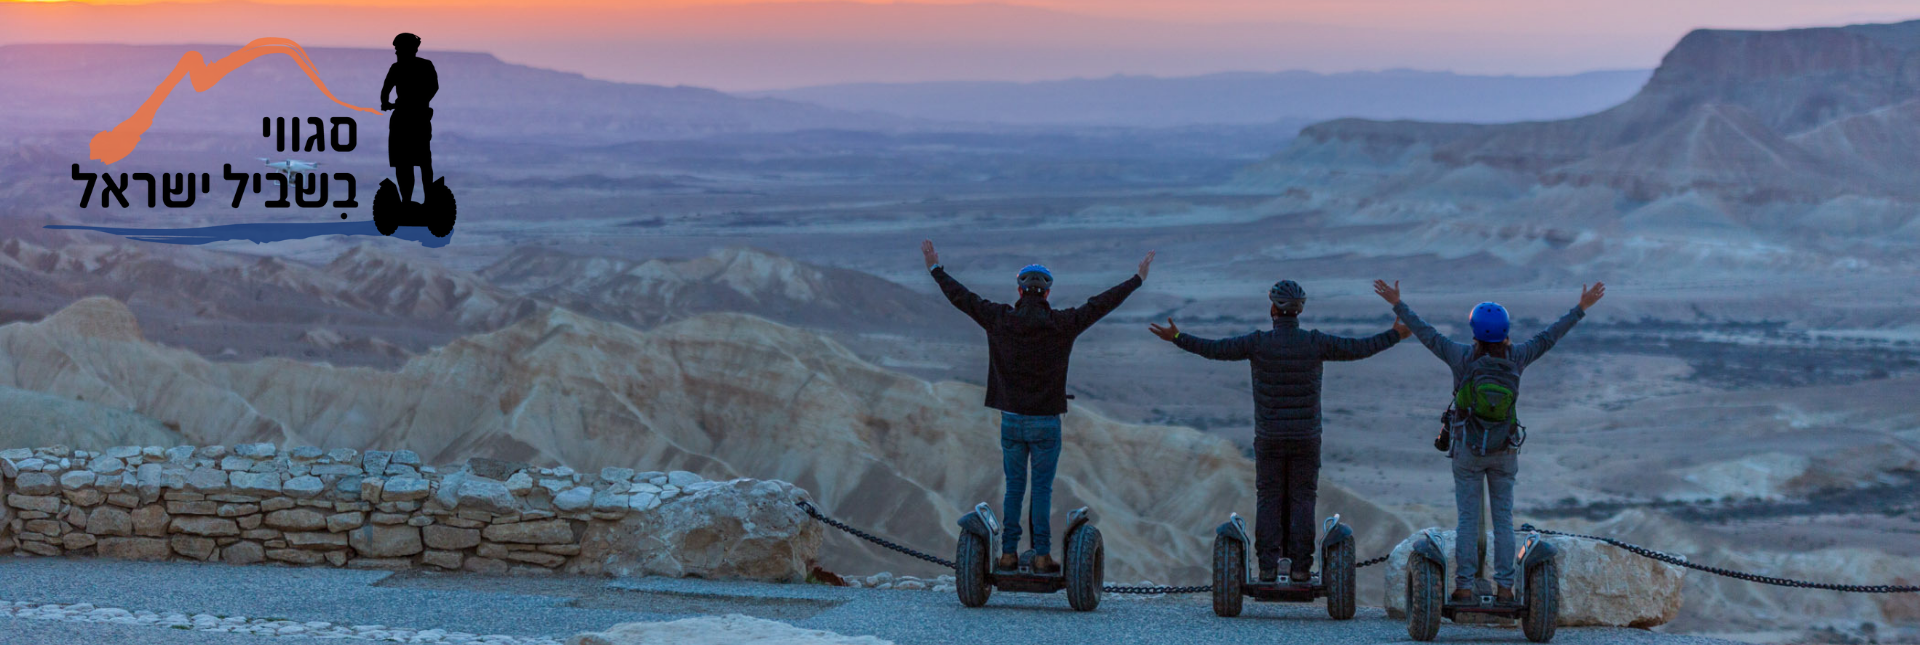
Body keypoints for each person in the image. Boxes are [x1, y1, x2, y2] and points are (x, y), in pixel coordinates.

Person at [1148, 280, 1408, 583]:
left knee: (1269, 498)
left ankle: (1268, 568)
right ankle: (1300, 569)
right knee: (1303, 499)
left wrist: (1178, 337)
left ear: (1273, 308)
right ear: (1299, 311)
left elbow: (1214, 349)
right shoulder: (1315, 342)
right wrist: (1395, 335)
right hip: (1306, 438)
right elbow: (1359, 348)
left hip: (1269, 437)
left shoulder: (1258, 343)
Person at [922, 239, 1153, 574]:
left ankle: (1008, 555)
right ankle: (1042, 555)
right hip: (1046, 423)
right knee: (1042, 489)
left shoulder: (1000, 319)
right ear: (1046, 294)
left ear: (1019, 291)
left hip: (1012, 421)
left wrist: (935, 269)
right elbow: (1100, 304)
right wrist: (1137, 279)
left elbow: (963, 298)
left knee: (1014, 487)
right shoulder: (1063, 323)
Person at [1372, 279, 1605, 604]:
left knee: (1467, 519)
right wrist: (1581, 308)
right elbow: (1550, 336)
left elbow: (1427, 335)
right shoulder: (1518, 357)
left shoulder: (1461, 357)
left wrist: (1398, 304)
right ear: (1505, 331)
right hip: (1505, 450)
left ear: (1475, 331)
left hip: (1468, 449)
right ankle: (1506, 589)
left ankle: (1464, 587)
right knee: (1504, 520)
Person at [380, 33, 439, 204]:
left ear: (410, 49)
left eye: (399, 49)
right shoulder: (408, 67)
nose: (397, 52)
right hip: (414, 117)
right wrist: (386, 102)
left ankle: (414, 201)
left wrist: (387, 103)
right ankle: (413, 201)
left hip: (410, 118)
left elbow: (385, 91)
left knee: (413, 162)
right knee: (415, 161)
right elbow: (386, 91)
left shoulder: (400, 67)